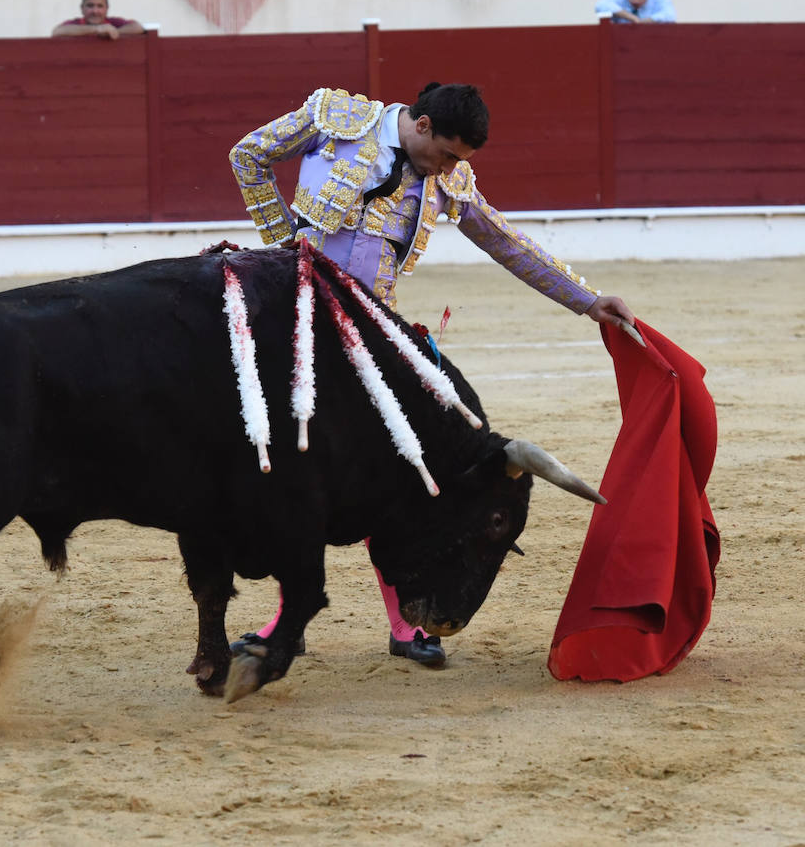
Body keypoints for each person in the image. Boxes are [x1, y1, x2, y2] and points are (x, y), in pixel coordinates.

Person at [228, 83, 636, 665]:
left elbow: (505, 241)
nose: (449, 169)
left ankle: (405, 624)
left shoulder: (450, 180)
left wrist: (587, 299)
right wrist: (282, 240)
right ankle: (280, 622)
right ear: (421, 125)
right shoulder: (334, 118)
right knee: (297, 479)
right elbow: (247, 154)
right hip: (299, 323)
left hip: (375, 339)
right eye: (446, 154)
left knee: (396, 477)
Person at [52, 0, 145, 39]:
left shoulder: (113, 23)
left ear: (107, 8)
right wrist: (97, 29)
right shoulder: (76, 23)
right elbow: (57, 31)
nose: (95, 11)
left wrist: (114, 31)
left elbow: (138, 27)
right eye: (90, 5)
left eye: (100, 6)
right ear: (82, 8)